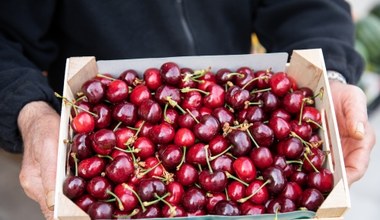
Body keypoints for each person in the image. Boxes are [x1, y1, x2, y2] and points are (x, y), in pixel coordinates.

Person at [0, 0, 375, 219]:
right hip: (108, 111)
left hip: (222, 98)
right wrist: (28, 108)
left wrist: (331, 78)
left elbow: (306, 5)